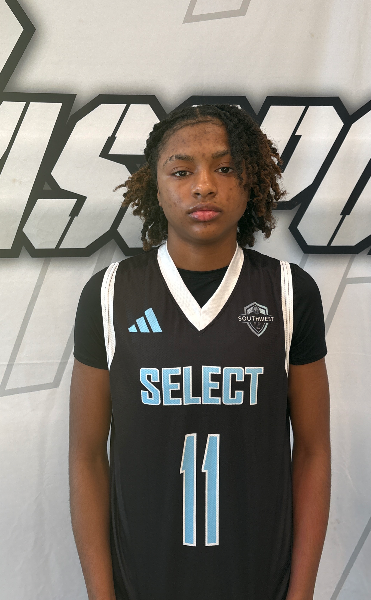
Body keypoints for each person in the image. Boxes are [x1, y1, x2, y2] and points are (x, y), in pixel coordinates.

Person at [70, 104, 330, 600]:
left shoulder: (288, 292)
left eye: (225, 168)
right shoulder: (109, 294)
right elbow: (86, 456)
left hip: (260, 583)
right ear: (155, 186)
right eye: (182, 170)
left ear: (250, 183)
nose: (204, 185)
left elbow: (314, 451)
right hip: (142, 583)